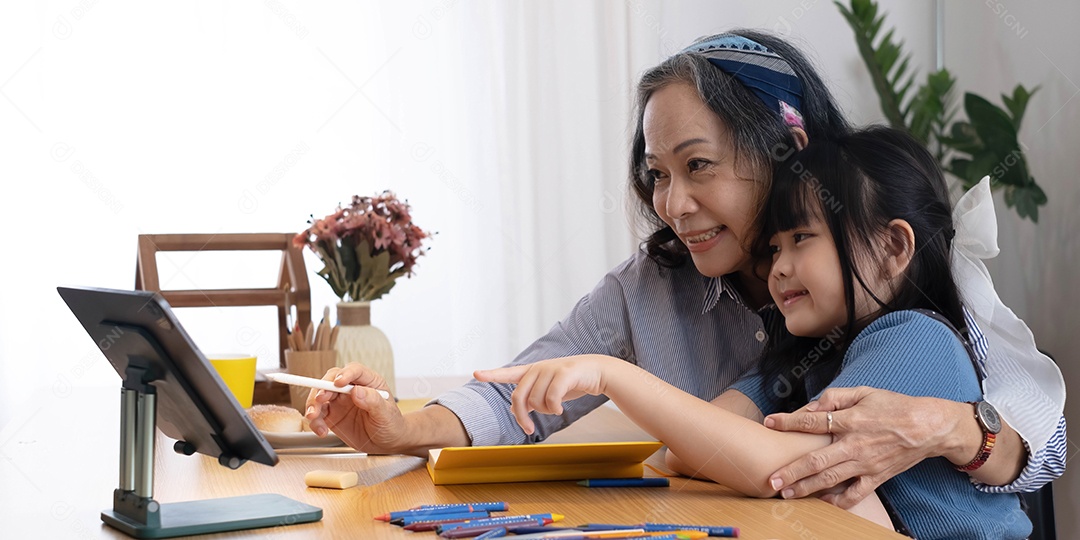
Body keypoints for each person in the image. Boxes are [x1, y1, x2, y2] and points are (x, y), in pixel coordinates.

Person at [305, 30, 1065, 509]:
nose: (673, 203)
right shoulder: (671, 290)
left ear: (785, 150)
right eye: (657, 174)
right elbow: (529, 389)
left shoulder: (901, 305)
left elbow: (1047, 443)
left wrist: (955, 429)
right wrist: (402, 429)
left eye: (697, 166)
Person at [476, 126, 1032, 538]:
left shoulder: (915, 340)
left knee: (829, 494)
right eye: (773, 247)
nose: (778, 267)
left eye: (801, 239)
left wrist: (610, 374)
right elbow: (690, 449)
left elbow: (777, 467)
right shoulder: (809, 357)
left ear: (893, 248)